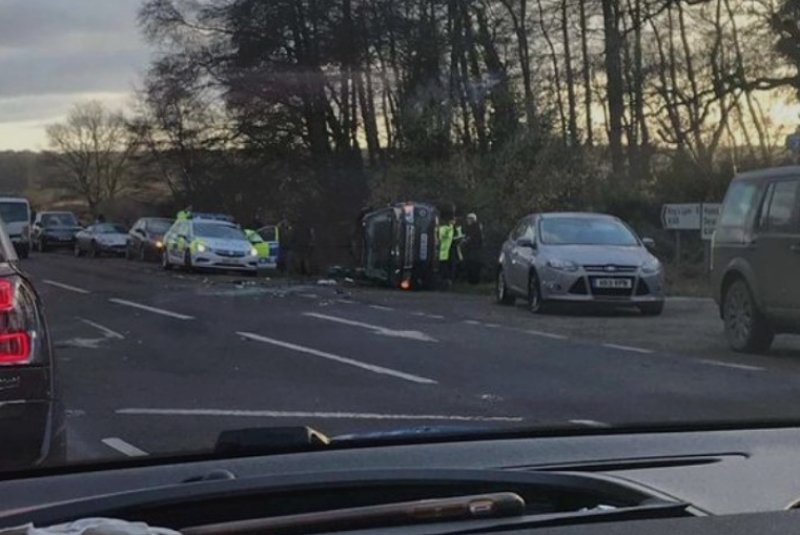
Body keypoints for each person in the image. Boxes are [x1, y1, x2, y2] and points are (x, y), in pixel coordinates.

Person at [462, 213, 484, 285]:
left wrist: (466, 240)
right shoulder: (473, 227)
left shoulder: (475, 227)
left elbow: (472, 237)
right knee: (471, 264)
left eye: (469, 219)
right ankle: (472, 280)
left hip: (474, 249)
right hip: (473, 249)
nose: (467, 221)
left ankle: (473, 280)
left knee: (473, 265)